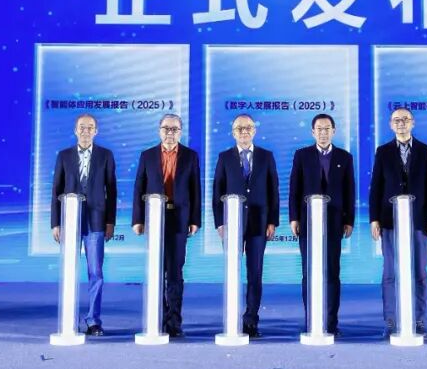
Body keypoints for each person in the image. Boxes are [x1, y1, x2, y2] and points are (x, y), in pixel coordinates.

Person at [368, 107, 427, 337]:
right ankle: (391, 320)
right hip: (389, 221)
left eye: (405, 119)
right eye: (396, 120)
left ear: (413, 123)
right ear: (391, 125)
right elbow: (376, 187)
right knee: (390, 272)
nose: (401, 123)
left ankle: (419, 320)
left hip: (418, 221)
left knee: (419, 271)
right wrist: (374, 219)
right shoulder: (383, 152)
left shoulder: (425, 151)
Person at [131, 113, 201, 339]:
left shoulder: (190, 156)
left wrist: (195, 220)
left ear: (180, 132)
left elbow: (195, 190)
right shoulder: (147, 156)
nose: (170, 133)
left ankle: (174, 321)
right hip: (154, 218)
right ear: (159, 130)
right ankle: (157, 318)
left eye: (174, 129)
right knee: (156, 270)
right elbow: (139, 188)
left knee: (175, 272)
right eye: (166, 128)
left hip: (179, 219)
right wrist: (138, 219)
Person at [212, 114, 279, 338]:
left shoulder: (266, 156)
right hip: (232, 223)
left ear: (254, 131)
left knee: (255, 272)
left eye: (248, 127)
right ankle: (231, 318)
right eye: (239, 128)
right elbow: (217, 192)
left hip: (259, 223)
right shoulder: (224, 157)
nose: (244, 131)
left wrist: (272, 221)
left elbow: (273, 191)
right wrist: (220, 223)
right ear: (233, 133)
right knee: (233, 271)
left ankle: (251, 320)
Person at [51, 113, 117, 337]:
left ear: (96, 131)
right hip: (69, 221)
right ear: (75, 130)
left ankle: (93, 321)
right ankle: (69, 319)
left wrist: (110, 221)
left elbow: (112, 191)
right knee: (70, 271)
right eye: (82, 127)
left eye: (90, 127)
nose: (85, 131)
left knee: (95, 272)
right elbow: (56, 190)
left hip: (96, 221)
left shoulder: (106, 155)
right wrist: (56, 223)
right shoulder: (64, 156)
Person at [289, 113, 355, 337]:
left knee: (332, 272)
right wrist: (294, 218)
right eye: (319, 129)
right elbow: (294, 189)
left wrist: (349, 220)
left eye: (327, 129)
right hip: (308, 222)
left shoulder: (345, 157)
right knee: (309, 272)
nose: (323, 133)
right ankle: (312, 319)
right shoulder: (302, 155)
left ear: (333, 131)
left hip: (335, 222)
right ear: (312, 132)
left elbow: (349, 190)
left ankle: (331, 322)